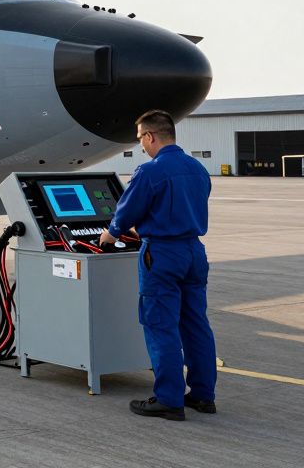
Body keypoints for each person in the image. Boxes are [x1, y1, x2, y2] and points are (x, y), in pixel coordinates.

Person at [100, 109, 217, 421]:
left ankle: (168, 399)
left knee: (160, 325)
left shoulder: (149, 171)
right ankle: (204, 396)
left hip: (162, 255)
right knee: (196, 324)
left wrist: (109, 236)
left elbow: (126, 213)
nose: (141, 145)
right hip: (194, 251)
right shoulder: (197, 169)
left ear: (150, 136)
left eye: (140, 138)